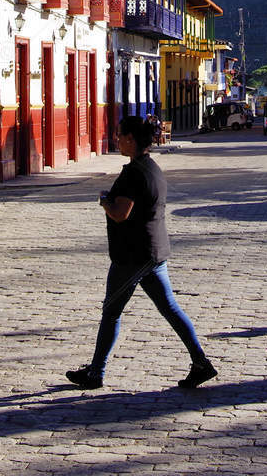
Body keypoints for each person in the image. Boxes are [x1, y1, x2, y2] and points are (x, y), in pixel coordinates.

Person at [66, 114, 216, 390]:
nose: (116, 139)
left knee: (112, 311)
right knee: (170, 308)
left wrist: (105, 201)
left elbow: (120, 213)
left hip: (132, 255)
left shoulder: (133, 173)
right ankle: (200, 362)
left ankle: (96, 373)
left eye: (119, 134)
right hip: (154, 251)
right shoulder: (152, 168)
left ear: (130, 139)